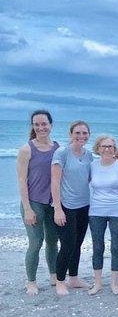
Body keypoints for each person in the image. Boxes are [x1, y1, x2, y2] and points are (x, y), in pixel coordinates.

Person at [17, 109, 59, 295]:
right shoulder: (26, 149)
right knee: (36, 242)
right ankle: (31, 281)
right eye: (37, 124)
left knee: (52, 241)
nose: (41, 127)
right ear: (33, 126)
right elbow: (21, 181)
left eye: (44, 124)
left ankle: (53, 275)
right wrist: (27, 208)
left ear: (50, 125)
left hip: (52, 204)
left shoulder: (58, 148)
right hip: (33, 203)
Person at [51, 120, 93, 296]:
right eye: (77, 133)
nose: (81, 136)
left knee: (77, 244)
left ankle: (74, 278)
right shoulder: (62, 153)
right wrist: (58, 209)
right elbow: (55, 181)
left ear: (88, 135)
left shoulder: (89, 154)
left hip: (84, 205)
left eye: (84, 133)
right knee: (67, 245)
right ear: (70, 134)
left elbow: (89, 179)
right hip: (66, 206)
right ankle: (60, 281)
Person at [88, 135, 118, 295]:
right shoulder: (92, 165)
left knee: (116, 247)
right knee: (97, 247)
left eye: (111, 146)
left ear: (115, 149)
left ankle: (114, 283)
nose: (107, 149)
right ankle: (98, 283)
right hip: (96, 212)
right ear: (98, 148)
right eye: (104, 146)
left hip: (117, 212)